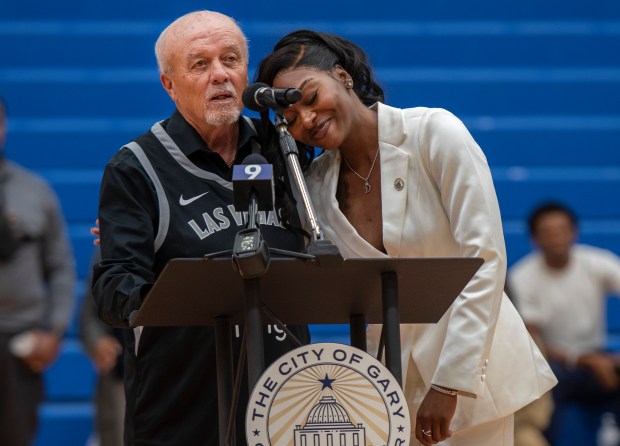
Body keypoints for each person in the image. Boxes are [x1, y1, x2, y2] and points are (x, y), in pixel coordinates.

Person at [254, 30, 557, 446]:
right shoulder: (315, 187)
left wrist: (448, 384)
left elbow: (485, 260)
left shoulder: (435, 132)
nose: (306, 119)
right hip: (386, 386)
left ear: (342, 77)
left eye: (311, 97)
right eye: (289, 119)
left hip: (471, 377)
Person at [91, 11, 311, 446]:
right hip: (181, 408)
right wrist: (188, 296)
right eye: (199, 64)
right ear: (168, 85)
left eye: (231, 60)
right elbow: (114, 285)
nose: (220, 76)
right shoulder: (136, 168)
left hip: (287, 400)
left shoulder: (286, 149)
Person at [508, 202, 620, 445]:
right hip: (551, 362)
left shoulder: (598, 262)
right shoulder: (522, 277)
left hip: (597, 358)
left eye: (562, 230)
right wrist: (582, 359)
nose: (556, 237)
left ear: (574, 232)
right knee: (546, 382)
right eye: (548, 232)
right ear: (535, 239)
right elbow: (532, 343)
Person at [0, 97, 76, 445]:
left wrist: (55, 330)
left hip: (19, 342)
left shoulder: (34, 191)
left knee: (16, 435)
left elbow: (60, 267)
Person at [80, 248, 125, 446]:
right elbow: (90, 313)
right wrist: (98, 342)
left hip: (174, 374)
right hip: (121, 372)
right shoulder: (109, 248)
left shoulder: (180, 240)